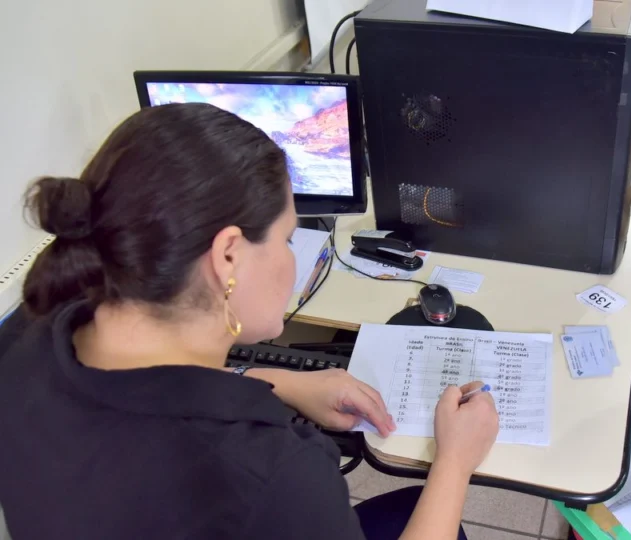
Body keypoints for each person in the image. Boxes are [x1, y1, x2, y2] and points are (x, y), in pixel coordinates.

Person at [0, 102, 500, 539]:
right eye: (287, 239)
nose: (292, 258)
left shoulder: (33, 332)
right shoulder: (270, 476)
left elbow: (146, 391)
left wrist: (277, 380)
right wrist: (455, 462)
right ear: (228, 256)